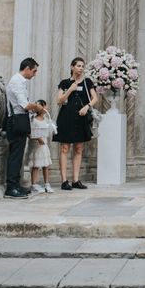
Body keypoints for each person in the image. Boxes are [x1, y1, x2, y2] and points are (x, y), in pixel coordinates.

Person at [53, 57, 98, 191]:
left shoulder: (87, 82)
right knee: (64, 148)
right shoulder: (65, 83)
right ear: (72, 67)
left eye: (82, 66)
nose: (81, 68)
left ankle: (76, 180)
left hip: (81, 117)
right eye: (78, 65)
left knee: (78, 148)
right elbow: (59, 100)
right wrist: (70, 89)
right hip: (66, 117)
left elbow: (95, 98)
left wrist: (87, 107)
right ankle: (64, 181)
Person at [4, 58, 44, 199]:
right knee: (15, 155)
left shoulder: (20, 82)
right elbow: (24, 105)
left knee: (19, 154)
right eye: (34, 70)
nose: (35, 74)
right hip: (15, 122)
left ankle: (16, 184)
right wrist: (37, 107)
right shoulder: (16, 81)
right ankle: (11, 187)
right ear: (27, 68)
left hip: (19, 120)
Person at [28, 100, 55, 194]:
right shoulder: (33, 120)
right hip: (37, 146)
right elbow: (31, 133)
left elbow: (48, 130)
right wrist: (38, 138)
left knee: (46, 165)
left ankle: (47, 183)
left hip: (44, 146)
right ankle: (34, 184)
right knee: (36, 165)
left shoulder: (46, 120)